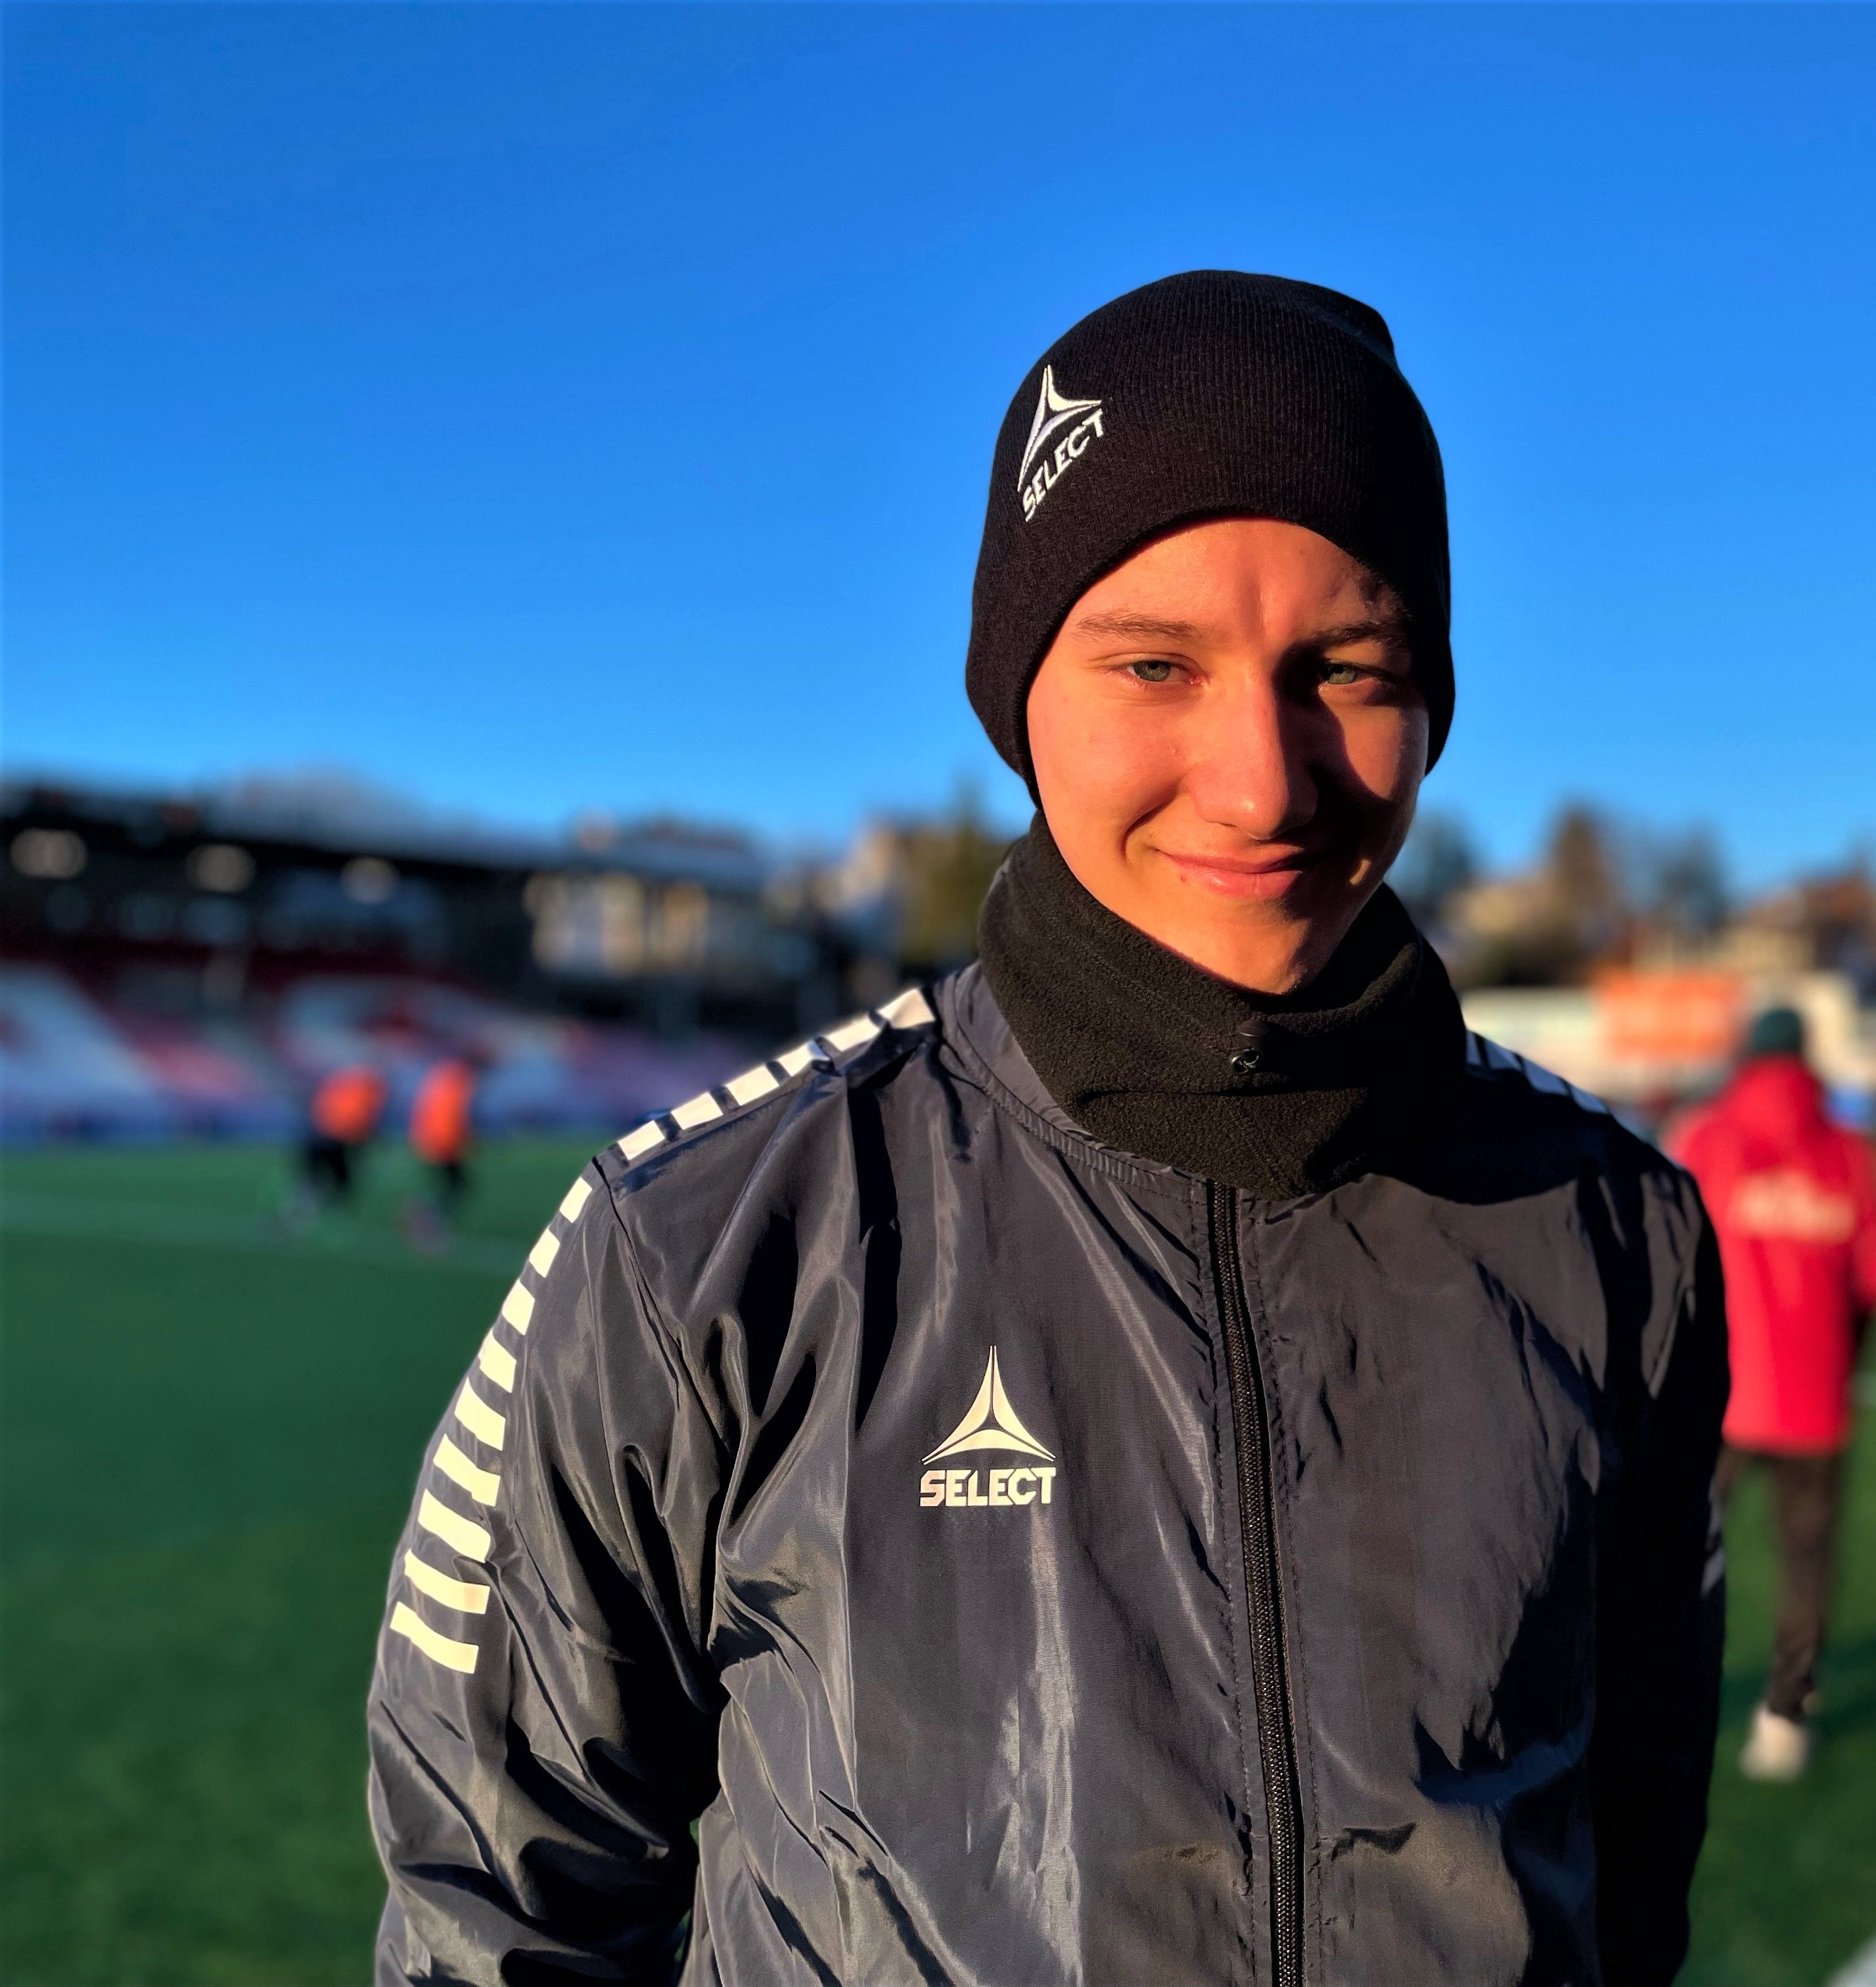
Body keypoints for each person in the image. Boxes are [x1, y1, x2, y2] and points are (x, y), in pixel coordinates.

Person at [368, 272, 1729, 1986]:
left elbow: (1631, 1864)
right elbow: (499, 1913)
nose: (1261, 780)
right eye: (1156, 664)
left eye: (1347, 669)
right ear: (1018, 695)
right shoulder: (699, 1240)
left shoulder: (1614, 1226)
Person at [1672, 1007, 1876, 1782]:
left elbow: (1665, 1257)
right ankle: (1785, 1715)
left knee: (1681, 1556)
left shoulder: (1706, 1135)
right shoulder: (1850, 1150)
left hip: (1716, 1394)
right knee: (1806, 1563)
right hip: (1815, 1396)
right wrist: (1843, 1358)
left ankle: (1662, 1701)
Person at [291, 1062, 384, 1220]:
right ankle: (327, 1205)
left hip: (321, 1135)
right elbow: (359, 1121)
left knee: (317, 1175)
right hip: (334, 1139)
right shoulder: (364, 1092)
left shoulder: (341, 1086)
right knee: (337, 1176)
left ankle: (309, 1205)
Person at [403, 1055, 476, 1248]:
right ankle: (424, 1220)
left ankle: (421, 1215)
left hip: (435, 1141)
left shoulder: (440, 1080)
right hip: (444, 1143)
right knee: (455, 1187)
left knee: (452, 1186)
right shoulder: (457, 1083)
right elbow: (455, 1117)